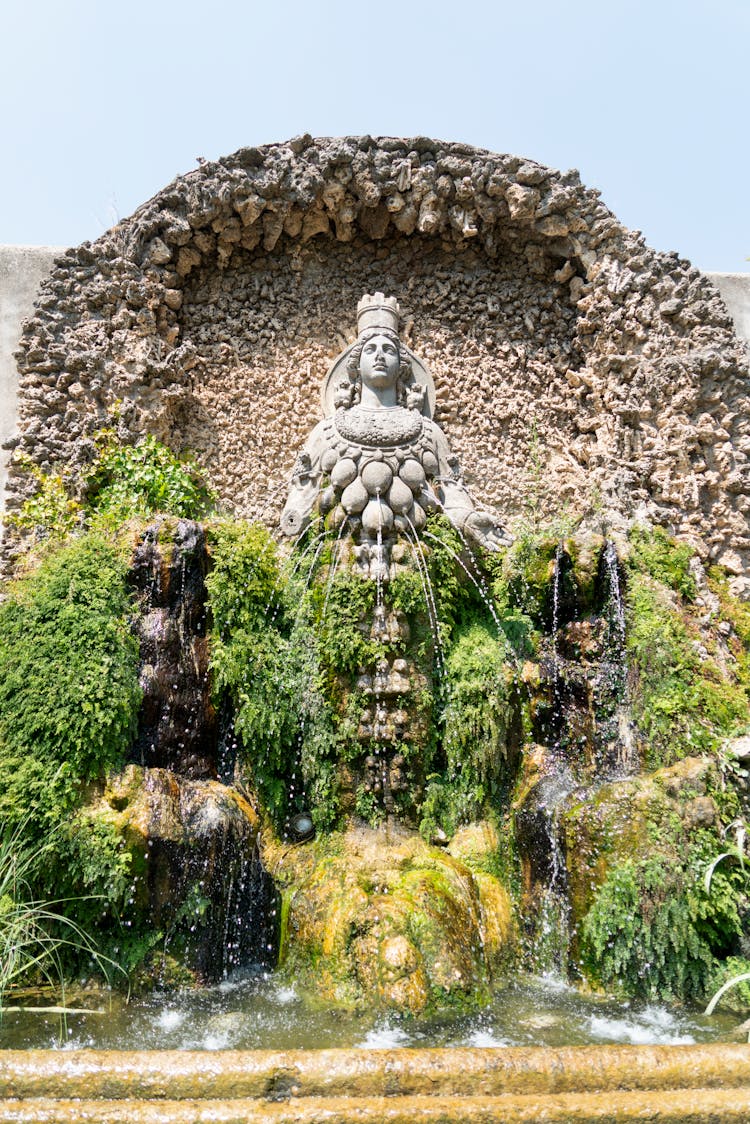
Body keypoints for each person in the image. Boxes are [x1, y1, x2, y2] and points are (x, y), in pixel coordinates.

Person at [280, 293, 510, 565]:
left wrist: (469, 520)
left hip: (414, 560)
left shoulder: (427, 432)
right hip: (342, 560)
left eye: (388, 350)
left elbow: (450, 492)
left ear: (402, 367)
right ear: (355, 366)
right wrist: (294, 517)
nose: (379, 355)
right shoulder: (328, 431)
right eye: (370, 349)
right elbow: (304, 490)